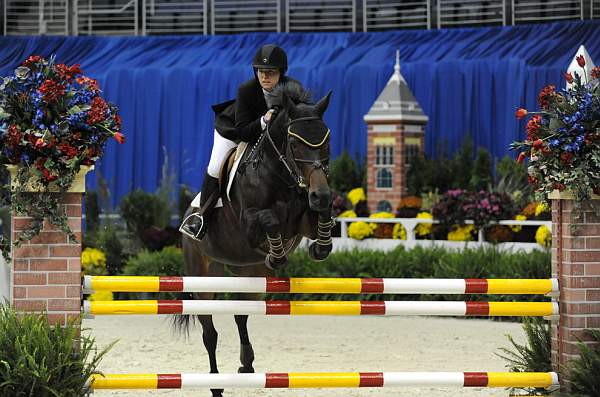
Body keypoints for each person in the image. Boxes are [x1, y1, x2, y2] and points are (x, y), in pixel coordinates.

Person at [180, 44, 303, 240]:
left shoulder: (293, 89)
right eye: (261, 71)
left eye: (271, 72)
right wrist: (264, 120)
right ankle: (201, 217)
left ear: (281, 72)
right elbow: (244, 132)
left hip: (270, 139)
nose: (265, 77)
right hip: (235, 131)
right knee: (215, 166)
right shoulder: (246, 90)